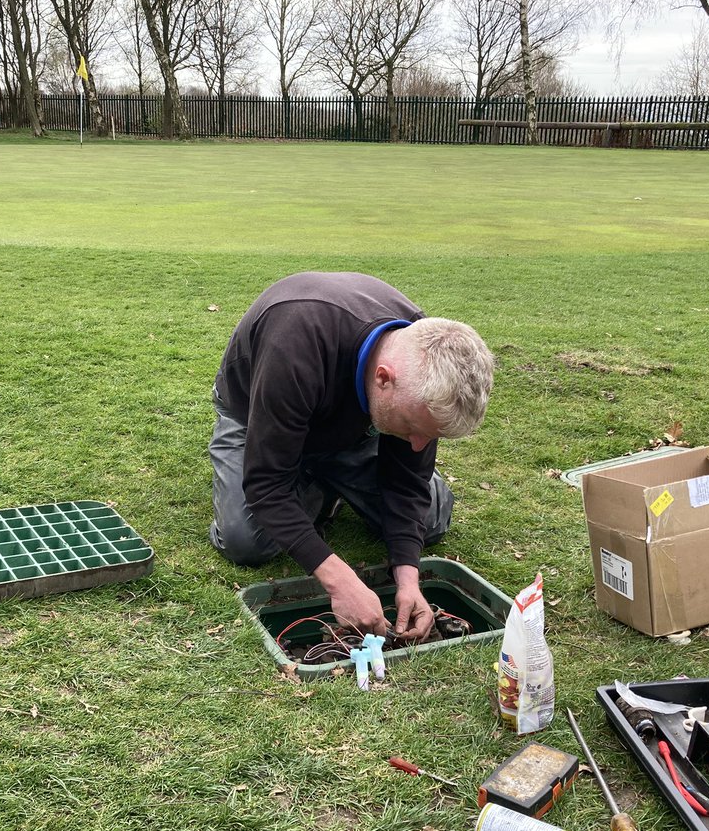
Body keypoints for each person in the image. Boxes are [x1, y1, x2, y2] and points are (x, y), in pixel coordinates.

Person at [208, 271, 494, 641]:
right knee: (246, 539)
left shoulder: (423, 357)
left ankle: (321, 480)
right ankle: (316, 477)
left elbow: (408, 481)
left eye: (430, 435)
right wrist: (340, 581)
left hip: (353, 427)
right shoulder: (294, 343)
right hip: (255, 415)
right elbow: (266, 485)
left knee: (430, 518)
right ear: (383, 378)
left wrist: (408, 578)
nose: (419, 444)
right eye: (412, 427)